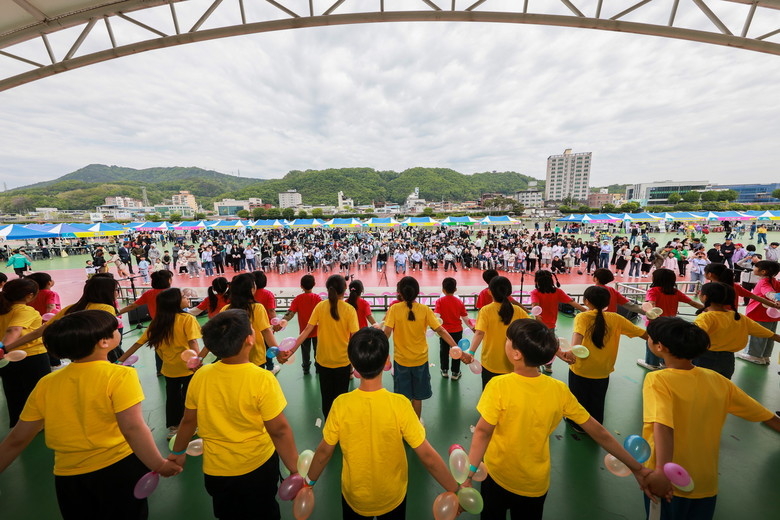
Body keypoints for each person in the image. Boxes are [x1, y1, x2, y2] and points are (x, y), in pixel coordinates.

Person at [0, 310, 182, 520]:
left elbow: (17, 439)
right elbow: (132, 428)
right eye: (115, 329)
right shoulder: (121, 375)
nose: (118, 331)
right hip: (118, 469)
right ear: (103, 342)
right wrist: (159, 464)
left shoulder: (46, 383)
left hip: (68, 477)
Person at [466, 319, 652, 520]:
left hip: (497, 476)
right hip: (535, 484)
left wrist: (468, 475)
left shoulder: (498, 386)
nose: (506, 342)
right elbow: (598, 431)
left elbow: (482, 432)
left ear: (516, 354)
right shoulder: (559, 389)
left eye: (508, 339)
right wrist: (638, 468)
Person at [306, 328, 459, 519]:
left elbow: (323, 452)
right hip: (392, 496)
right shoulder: (400, 404)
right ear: (387, 361)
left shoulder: (340, 404)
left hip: (355, 497)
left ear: (352, 362)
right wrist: (454, 489)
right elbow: (428, 456)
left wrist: (308, 482)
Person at [641, 317, 780, 520]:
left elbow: (662, 426)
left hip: (671, 481)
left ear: (660, 346)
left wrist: (662, 472)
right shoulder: (718, 380)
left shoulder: (657, 379)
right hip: (705, 482)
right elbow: (765, 415)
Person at [168, 310, 299, 520]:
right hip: (257, 466)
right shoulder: (262, 379)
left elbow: (189, 420)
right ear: (249, 339)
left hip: (217, 471)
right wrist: (295, 470)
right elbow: (279, 431)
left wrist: (178, 452)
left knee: (227, 513)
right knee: (264, 511)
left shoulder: (201, 375)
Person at [118, 288, 203, 439]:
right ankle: (190, 424)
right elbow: (193, 342)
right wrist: (197, 361)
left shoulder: (157, 323)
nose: (187, 298)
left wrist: (120, 360)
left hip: (169, 369)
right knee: (189, 397)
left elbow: (137, 344)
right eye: (184, 296)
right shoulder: (187, 319)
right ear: (175, 302)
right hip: (189, 367)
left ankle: (174, 427)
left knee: (172, 397)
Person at [568, 286, 648, 430]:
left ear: (586, 301)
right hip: (603, 370)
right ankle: (596, 425)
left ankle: (577, 426)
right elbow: (642, 334)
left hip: (581, 368)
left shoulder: (582, 317)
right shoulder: (616, 319)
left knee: (578, 399)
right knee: (597, 400)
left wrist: (571, 352)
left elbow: (577, 336)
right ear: (607, 302)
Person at [283, 274, 359, 418]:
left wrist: (291, 350)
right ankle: (339, 425)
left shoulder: (320, 306)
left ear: (328, 288)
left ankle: (328, 423)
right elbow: (356, 337)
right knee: (341, 398)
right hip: (343, 361)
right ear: (345, 288)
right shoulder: (349, 310)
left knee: (326, 398)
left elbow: (307, 330)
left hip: (323, 361)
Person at [384, 276, 457, 418]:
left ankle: (405, 425)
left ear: (400, 292)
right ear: (417, 292)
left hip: (401, 361)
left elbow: (386, 333)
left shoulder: (394, 309)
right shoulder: (425, 310)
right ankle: (416, 424)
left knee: (403, 398)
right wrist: (456, 348)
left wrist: (377, 350)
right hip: (420, 361)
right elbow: (441, 330)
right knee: (417, 397)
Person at [693, 283, 780, 379]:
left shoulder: (705, 317)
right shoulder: (739, 317)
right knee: (723, 384)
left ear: (705, 297)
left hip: (705, 358)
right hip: (728, 360)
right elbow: (769, 334)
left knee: (703, 383)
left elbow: (694, 337)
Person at [0, 279, 50, 426]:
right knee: (37, 393)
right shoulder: (25, 310)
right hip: (32, 357)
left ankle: (17, 424)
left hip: (7, 360)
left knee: (13, 393)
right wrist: (3, 349)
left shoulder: (3, 309)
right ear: (29, 295)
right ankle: (39, 425)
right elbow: (14, 330)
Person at [463, 276, 529, 388]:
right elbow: (531, 329)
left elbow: (479, 333)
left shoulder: (486, 310)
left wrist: (471, 353)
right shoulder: (518, 310)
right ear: (509, 292)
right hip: (513, 361)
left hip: (490, 362)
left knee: (490, 393)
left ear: (489, 292)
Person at [637, 269, 703, 371]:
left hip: (656, 323)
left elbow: (652, 303)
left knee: (653, 342)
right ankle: (665, 362)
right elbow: (692, 303)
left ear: (657, 279)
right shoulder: (675, 292)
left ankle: (652, 363)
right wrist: (706, 309)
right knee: (667, 343)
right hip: (671, 323)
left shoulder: (653, 291)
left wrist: (650, 312)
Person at [530, 270, 587, 374]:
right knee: (550, 346)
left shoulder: (535, 293)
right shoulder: (557, 292)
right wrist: (586, 311)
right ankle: (548, 366)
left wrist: (537, 316)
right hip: (551, 325)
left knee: (537, 345)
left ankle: (537, 365)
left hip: (539, 325)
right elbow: (572, 302)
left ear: (537, 281)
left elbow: (535, 306)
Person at [220, 273, 279, 369]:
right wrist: (278, 353)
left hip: (232, 357)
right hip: (255, 356)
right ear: (251, 289)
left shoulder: (225, 309)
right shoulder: (257, 308)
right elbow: (266, 331)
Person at [737, 260, 780, 364]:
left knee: (758, 334)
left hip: (759, 313)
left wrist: (775, 298)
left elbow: (768, 292)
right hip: (772, 315)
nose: (754, 268)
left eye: (756, 267)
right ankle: (765, 355)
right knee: (770, 335)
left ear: (763, 271)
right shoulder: (774, 281)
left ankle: (754, 355)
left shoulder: (763, 282)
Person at [281, 274, 322, 375]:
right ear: (314, 284)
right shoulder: (317, 298)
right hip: (317, 331)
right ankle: (318, 367)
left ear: (301, 286)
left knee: (305, 351)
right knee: (318, 350)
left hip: (304, 333)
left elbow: (290, 313)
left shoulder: (298, 299)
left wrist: (282, 321)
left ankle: (306, 368)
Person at [434, 277, 472, 380]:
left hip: (444, 332)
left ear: (443, 290)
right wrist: (472, 327)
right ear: (455, 289)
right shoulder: (459, 302)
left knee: (444, 351)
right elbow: (465, 318)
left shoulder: (439, 301)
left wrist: (434, 327)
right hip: (457, 331)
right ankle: (455, 373)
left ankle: (444, 370)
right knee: (457, 351)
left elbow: (436, 316)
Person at [253, 271, 279, 374]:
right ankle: (270, 367)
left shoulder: (250, 294)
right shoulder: (268, 294)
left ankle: (257, 367)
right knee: (268, 346)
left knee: (257, 347)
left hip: (253, 326)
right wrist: (276, 323)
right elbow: (271, 310)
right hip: (265, 326)